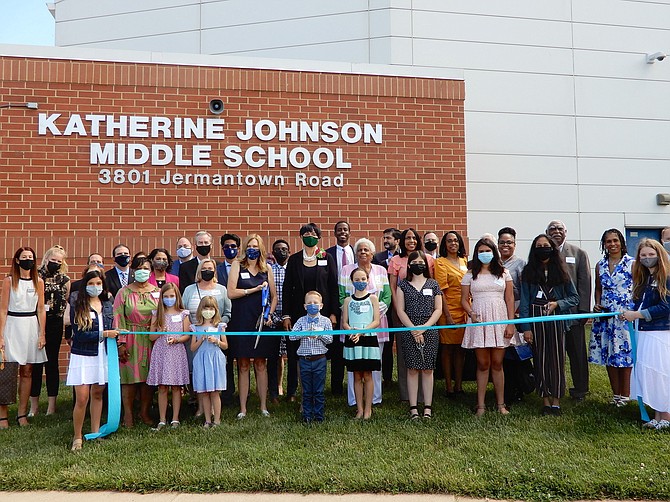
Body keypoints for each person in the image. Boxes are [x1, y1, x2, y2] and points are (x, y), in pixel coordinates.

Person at [518, 234, 579, 416]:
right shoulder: (528, 272)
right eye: (539, 246)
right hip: (536, 321)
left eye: (546, 245)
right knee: (540, 359)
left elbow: (574, 297)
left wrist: (558, 304)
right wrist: (526, 328)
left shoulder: (562, 271)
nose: (542, 248)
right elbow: (524, 302)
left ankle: (557, 401)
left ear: (552, 248)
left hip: (556, 320)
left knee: (557, 360)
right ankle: (545, 399)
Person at [282, 223, 339, 399]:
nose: (310, 236)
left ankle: (318, 391)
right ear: (301, 237)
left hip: (322, 314)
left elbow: (333, 286)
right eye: (306, 233)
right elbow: (286, 288)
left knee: (321, 351)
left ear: (319, 237)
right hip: (298, 313)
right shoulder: (294, 259)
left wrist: (333, 313)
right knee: (295, 353)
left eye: (313, 233)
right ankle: (293, 390)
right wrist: (286, 315)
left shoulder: (326, 258)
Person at [461, 237, 516, 416]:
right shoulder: (470, 274)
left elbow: (509, 299)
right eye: (481, 251)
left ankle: (501, 404)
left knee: (497, 363)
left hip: (499, 319)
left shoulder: (504, 272)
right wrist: (471, 313)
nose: (485, 254)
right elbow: (463, 300)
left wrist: (510, 323)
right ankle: (481, 405)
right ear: (477, 254)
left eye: (488, 250)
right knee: (483, 364)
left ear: (494, 252)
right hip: (479, 321)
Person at [66, 269, 119, 451]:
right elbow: (79, 335)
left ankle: (95, 432)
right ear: (85, 285)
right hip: (83, 355)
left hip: (102, 354)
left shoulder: (107, 303)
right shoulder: (78, 304)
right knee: (82, 398)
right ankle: (77, 436)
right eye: (91, 284)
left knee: (98, 393)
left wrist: (117, 334)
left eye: (98, 283)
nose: (95, 287)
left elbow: (112, 326)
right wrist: (104, 334)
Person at [227, 234, 278, 419]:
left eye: (256, 246)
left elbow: (274, 296)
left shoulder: (267, 269)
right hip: (241, 319)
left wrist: (269, 314)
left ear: (261, 249)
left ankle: (263, 406)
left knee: (260, 363)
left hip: (260, 321)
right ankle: (243, 408)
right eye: (250, 246)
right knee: (242, 364)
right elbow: (231, 292)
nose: (252, 249)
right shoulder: (237, 266)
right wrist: (252, 290)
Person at [621, 238, 670, 429]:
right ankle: (658, 416)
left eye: (651, 254)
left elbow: (666, 306)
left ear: (659, 254)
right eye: (643, 255)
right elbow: (641, 302)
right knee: (650, 373)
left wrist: (637, 314)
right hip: (645, 332)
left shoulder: (666, 277)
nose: (648, 258)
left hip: (660, 333)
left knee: (661, 374)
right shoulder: (645, 278)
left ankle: (666, 416)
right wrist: (628, 313)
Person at [338, 238, 391, 407]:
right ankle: (354, 401)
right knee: (354, 367)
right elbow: (342, 296)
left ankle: (375, 399)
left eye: (366, 250)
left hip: (376, 326)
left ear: (372, 253)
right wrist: (352, 325)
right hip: (351, 326)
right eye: (359, 250)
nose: (362, 252)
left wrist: (372, 315)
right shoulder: (346, 270)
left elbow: (387, 296)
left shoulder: (381, 270)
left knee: (374, 366)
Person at [0, 247, 47, 427]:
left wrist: (42, 333)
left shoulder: (39, 282)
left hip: (30, 326)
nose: (28, 260)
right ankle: (3, 415)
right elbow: (3, 310)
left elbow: (41, 309)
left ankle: (21, 414)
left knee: (27, 371)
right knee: (7, 371)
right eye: (24, 257)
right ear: (17, 260)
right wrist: (1, 335)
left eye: (31, 257)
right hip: (12, 325)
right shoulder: (9, 281)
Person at [388, 228, 435, 401]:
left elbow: (432, 283)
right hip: (402, 310)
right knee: (405, 352)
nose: (411, 241)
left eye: (414, 238)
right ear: (402, 241)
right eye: (407, 238)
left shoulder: (428, 259)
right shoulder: (395, 260)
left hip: (426, 313)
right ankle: (406, 394)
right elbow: (392, 286)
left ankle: (424, 395)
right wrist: (398, 308)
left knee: (426, 354)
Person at [546, 220, 591, 401]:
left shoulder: (578, 253)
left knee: (577, 353)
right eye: (552, 229)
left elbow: (585, 283)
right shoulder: (543, 253)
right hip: (550, 314)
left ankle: (580, 389)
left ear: (566, 231)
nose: (556, 232)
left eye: (559, 229)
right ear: (546, 232)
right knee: (554, 354)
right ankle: (555, 387)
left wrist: (583, 311)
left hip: (573, 313)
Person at [394, 250, 443, 419]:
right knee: (412, 369)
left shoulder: (433, 284)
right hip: (409, 330)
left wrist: (424, 328)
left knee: (428, 369)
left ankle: (427, 407)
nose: (418, 265)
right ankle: (413, 407)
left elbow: (438, 310)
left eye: (422, 262)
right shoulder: (403, 285)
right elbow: (400, 310)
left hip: (430, 330)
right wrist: (414, 330)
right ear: (409, 265)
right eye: (415, 262)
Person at [113, 256, 159, 427]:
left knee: (147, 379)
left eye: (146, 268)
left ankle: (145, 412)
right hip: (130, 337)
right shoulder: (123, 292)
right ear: (133, 271)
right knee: (129, 379)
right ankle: (128, 414)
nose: (143, 272)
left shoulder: (157, 292)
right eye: (139, 268)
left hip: (151, 339)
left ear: (151, 271)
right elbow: (118, 317)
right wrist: (121, 343)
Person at [590, 229, 634, 407]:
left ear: (621, 242)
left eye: (615, 240)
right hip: (606, 316)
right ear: (604, 245)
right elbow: (598, 288)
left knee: (624, 355)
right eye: (608, 241)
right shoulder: (600, 264)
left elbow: (638, 287)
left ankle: (626, 395)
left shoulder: (632, 263)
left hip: (625, 315)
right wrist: (597, 303)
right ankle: (616, 395)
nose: (612, 244)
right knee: (609, 355)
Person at [182, 258, 232, 413]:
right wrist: (192, 328)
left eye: (210, 268)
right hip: (194, 333)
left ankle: (213, 409)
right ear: (199, 271)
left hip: (215, 334)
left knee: (212, 372)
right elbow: (183, 310)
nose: (207, 271)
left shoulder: (222, 290)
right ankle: (199, 406)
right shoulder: (190, 289)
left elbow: (227, 313)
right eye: (204, 269)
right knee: (196, 370)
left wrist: (215, 326)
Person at [30, 245, 70, 417]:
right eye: (52, 260)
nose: (55, 263)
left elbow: (66, 299)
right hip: (35, 320)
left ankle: (51, 406)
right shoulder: (35, 276)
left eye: (58, 261)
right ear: (46, 259)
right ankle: (34, 406)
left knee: (51, 361)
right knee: (35, 363)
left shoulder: (65, 279)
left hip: (55, 321)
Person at [147, 283, 191, 430]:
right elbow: (151, 337)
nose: (169, 299)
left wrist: (177, 339)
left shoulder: (183, 314)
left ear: (176, 296)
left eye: (171, 296)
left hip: (176, 351)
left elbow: (187, 334)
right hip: (161, 352)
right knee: (162, 386)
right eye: (166, 296)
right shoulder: (156, 314)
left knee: (177, 386)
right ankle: (162, 419)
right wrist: (160, 331)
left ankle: (175, 418)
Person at [497, 227, 531, 405]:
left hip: (515, 313)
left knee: (515, 356)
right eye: (502, 242)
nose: (505, 245)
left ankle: (518, 389)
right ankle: (504, 390)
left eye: (509, 242)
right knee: (501, 356)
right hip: (496, 313)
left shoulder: (521, 264)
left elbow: (523, 292)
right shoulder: (494, 264)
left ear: (515, 245)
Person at [342, 267, 381, 419]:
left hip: (368, 339)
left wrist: (362, 332)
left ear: (368, 280)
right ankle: (359, 408)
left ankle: (368, 409)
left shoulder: (373, 299)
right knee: (357, 376)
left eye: (363, 279)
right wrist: (352, 331)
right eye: (357, 280)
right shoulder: (347, 300)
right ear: (352, 281)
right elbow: (344, 322)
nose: (360, 282)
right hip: (353, 339)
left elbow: (376, 321)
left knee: (368, 375)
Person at [289, 291, 333, 423]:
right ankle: (307, 416)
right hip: (305, 360)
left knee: (319, 390)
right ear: (304, 306)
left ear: (321, 305)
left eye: (315, 303)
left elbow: (330, 339)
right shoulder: (301, 321)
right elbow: (292, 336)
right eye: (309, 303)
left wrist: (319, 335)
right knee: (306, 390)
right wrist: (304, 333)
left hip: (320, 359)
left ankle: (319, 416)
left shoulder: (326, 321)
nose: (312, 305)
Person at [434, 230, 468, 397]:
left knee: (461, 349)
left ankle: (459, 385)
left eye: (456, 240)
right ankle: (448, 386)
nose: (453, 243)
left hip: (464, 310)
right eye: (449, 241)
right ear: (444, 244)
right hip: (448, 309)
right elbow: (440, 291)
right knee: (448, 348)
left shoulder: (465, 261)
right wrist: (447, 315)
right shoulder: (440, 263)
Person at [325, 220, 354, 396]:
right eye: (339, 230)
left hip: (355, 303)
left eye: (345, 230)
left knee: (352, 344)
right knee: (336, 349)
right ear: (335, 233)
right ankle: (336, 387)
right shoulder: (326, 254)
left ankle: (353, 384)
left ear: (349, 233)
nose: (342, 232)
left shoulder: (357, 252)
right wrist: (333, 311)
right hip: (335, 305)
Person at [190, 296, 228, 428]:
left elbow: (225, 345)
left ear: (215, 310)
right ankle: (207, 420)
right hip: (201, 360)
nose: (208, 310)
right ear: (201, 309)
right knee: (204, 392)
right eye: (206, 308)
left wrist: (216, 341)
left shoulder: (219, 327)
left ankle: (217, 420)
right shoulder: (196, 328)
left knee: (215, 391)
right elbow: (192, 347)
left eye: (211, 308)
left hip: (215, 359)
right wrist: (201, 339)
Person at [372, 227, 400, 386]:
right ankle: (386, 378)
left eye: (389, 238)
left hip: (401, 304)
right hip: (383, 308)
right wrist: (387, 262)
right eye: (384, 238)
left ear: (397, 240)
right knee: (386, 344)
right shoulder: (378, 258)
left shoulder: (403, 256)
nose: (385, 241)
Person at [268, 239, 290, 405]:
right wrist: (274, 317)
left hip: (291, 319)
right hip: (274, 318)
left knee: (292, 355)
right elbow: (267, 295)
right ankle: (275, 389)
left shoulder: (293, 269)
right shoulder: (269, 270)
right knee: (275, 357)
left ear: (289, 252)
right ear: (273, 253)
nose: (281, 252)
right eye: (278, 249)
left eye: (284, 249)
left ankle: (291, 391)